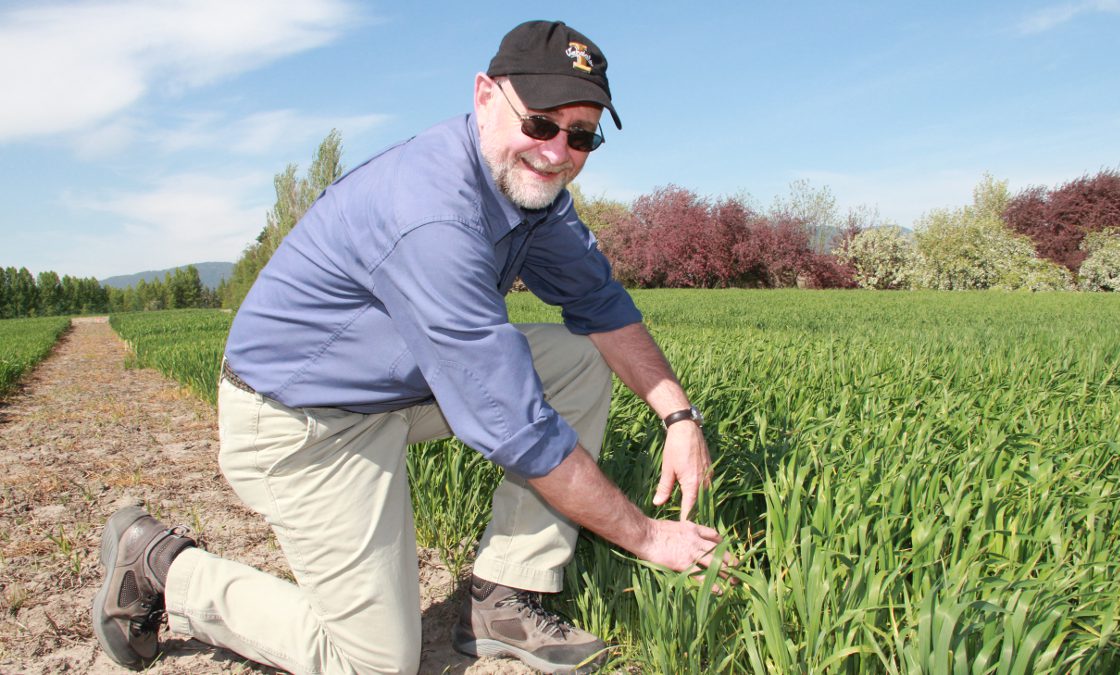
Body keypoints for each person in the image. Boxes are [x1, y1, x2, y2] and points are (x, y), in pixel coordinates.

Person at [92, 19, 732, 675]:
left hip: (400, 389)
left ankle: (503, 599)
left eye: (582, 134)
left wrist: (678, 416)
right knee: (372, 664)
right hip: (299, 422)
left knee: (580, 358)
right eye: (541, 122)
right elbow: (516, 427)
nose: (557, 150)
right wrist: (650, 536)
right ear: (486, 97)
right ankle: (167, 569)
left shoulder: (534, 194)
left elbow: (603, 309)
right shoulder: (432, 213)